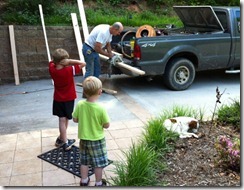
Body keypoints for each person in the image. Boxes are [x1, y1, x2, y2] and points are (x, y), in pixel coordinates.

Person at [72, 76, 110, 186]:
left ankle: (84, 181)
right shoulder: (101, 108)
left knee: (84, 161)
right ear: (100, 92)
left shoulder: (80, 104)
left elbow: (75, 119)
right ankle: (98, 183)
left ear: (84, 91)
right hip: (97, 140)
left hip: (84, 139)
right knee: (98, 163)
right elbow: (107, 125)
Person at [49, 48, 86, 151]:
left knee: (61, 119)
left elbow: (51, 62)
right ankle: (65, 142)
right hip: (69, 98)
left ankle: (61, 139)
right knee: (65, 119)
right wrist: (70, 61)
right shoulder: (69, 70)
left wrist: (59, 61)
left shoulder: (52, 68)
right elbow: (83, 63)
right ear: (64, 61)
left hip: (58, 98)